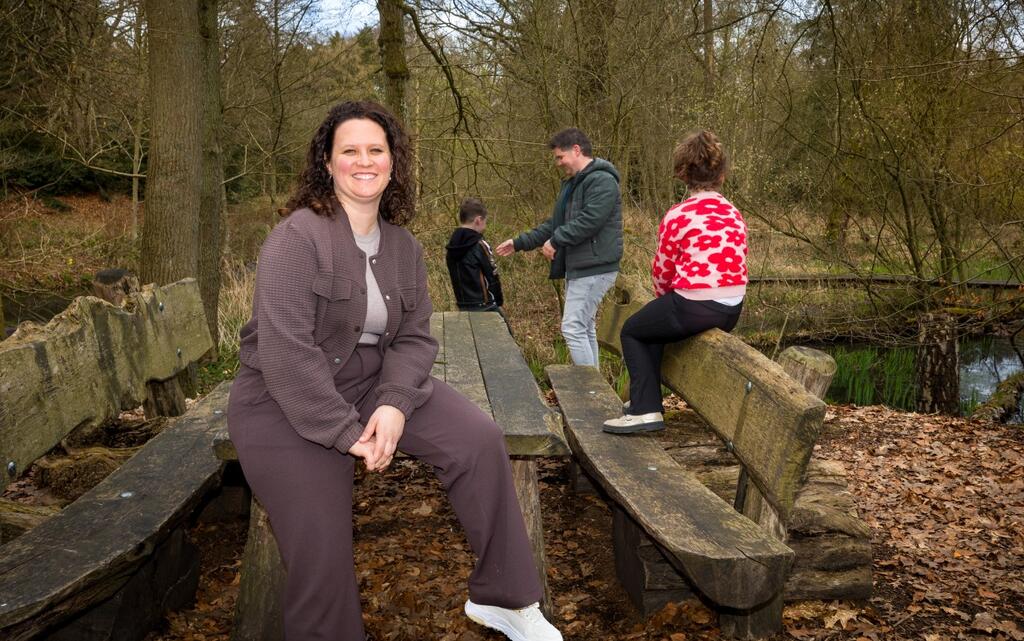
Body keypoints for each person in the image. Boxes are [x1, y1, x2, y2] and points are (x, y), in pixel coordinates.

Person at [226, 100, 562, 641]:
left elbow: (413, 336)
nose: (364, 161)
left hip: (370, 380)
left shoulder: (403, 246)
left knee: (478, 440)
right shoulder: (297, 238)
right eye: (349, 151)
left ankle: (504, 599)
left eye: (376, 150)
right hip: (281, 399)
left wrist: (393, 403)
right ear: (327, 163)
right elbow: (286, 352)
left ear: (393, 162)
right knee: (320, 531)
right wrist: (344, 434)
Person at [603, 130, 747, 434]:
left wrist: (663, 298)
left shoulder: (679, 214)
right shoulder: (733, 213)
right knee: (652, 327)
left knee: (633, 331)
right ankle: (646, 401)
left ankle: (645, 412)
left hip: (694, 305)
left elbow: (664, 270)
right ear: (721, 176)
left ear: (682, 174)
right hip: (732, 307)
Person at [495, 128, 622, 368]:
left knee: (572, 327)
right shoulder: (573, 184)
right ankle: (595, 391)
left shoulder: (602, 180)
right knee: (583, 327)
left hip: (595, 266)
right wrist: (520, 242)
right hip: (582, 265)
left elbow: (590, 221)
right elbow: (556, 224)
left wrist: (555, 241)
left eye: (559, 157)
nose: (557, 163)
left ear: (576, 150)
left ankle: (589, 392)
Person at [446, 197, 505, 312]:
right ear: (478, 220)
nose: (485, 225)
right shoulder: (480, 245)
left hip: (462, 306)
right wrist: (498, 302)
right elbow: (492, 276)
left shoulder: (451, 247)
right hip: (485, 306)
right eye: (485, 221)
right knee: (506, 329)